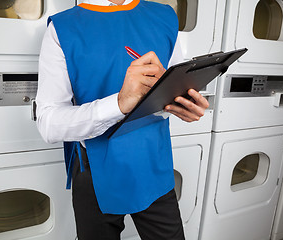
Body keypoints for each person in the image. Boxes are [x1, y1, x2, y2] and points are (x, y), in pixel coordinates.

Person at [35, 0, 209, 239]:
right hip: (95, 171)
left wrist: (182, 104)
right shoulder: (62, 28)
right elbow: (48, 123)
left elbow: (170, 86)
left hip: (154, 162)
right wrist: (119, 103)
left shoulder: (165, 17)